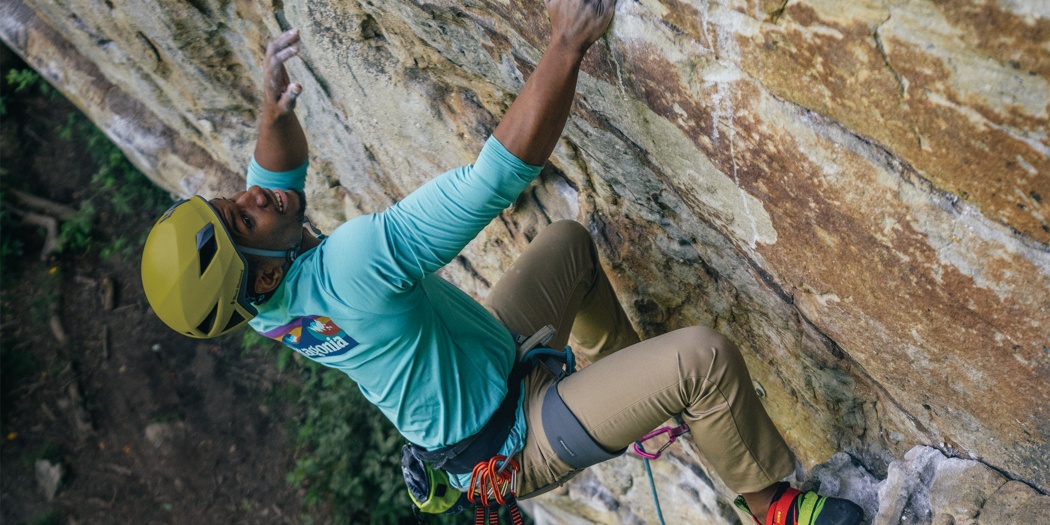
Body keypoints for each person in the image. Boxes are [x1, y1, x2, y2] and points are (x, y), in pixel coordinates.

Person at [140, 0, 864, 523]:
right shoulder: (353, 267)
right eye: (240, 212)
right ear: (263, 270)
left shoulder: (260, 302)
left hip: (493, 363)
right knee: (701, 360)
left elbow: (277, 181)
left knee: (570, 247)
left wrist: (271, 116)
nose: (251, 191)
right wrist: (565, 45)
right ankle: (773, 508)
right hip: (516, 443)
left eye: (230, 197)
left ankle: (634, 401)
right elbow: (495, 177)